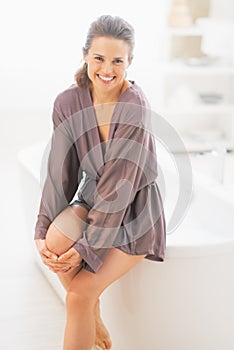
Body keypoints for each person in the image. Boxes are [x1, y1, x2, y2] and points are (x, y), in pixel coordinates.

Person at [34, 14, 166, 350]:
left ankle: (88, 306)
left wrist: (85, 250)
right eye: (99, 58)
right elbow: (59, 172)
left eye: (117, 61)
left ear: (130, 63)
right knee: (54, 240)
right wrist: (41, 230)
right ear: (85, 56)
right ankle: (93, 313)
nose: (107, 69)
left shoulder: (134, 108)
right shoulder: (68, 102)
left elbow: (117, 194)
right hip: (95, 199)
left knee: (77, 295)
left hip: (134, 214)